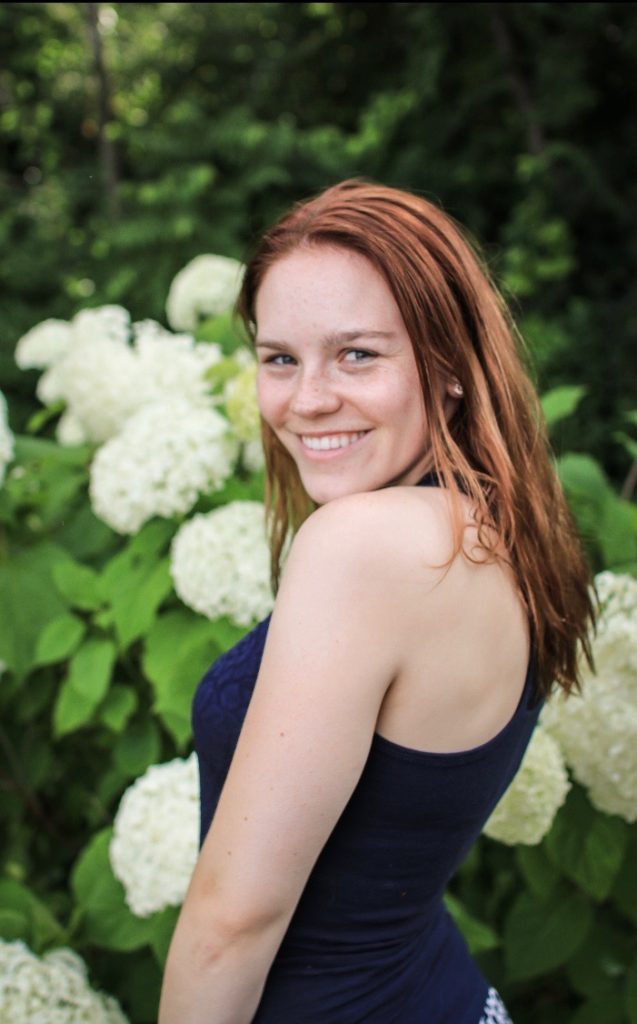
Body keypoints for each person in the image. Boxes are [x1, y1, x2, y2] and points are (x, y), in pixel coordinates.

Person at [159, 179, 594, 1023]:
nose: (306, 399)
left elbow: (233, 922)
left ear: (450, 369)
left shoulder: (361, 548)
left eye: (356, 354)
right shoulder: (498, 532)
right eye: (280, 357)